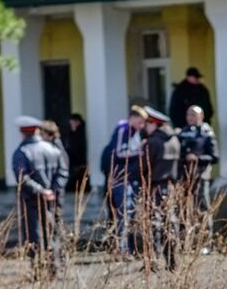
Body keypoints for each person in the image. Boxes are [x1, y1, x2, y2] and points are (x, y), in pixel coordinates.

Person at [12, 115, 67, 274]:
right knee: (52, 232)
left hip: (32, 200)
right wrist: (52, 191)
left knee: (34, 234)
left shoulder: (22, 152)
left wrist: (41, 191)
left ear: (22, 132)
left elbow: (22, 178)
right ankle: (53, 267)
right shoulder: (53, 149)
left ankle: (37, 269)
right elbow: (63, 172)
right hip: (51, 200)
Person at [99, 106, 146, 254]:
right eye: (140, 122)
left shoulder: (134, 132)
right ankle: (122, 248)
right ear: (132, 118)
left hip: (130, 178)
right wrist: (139, 152)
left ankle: (129, 248)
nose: (142, 126)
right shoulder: (123, 130)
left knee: (130, 214)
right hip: (120, 178)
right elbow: (119, 152)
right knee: (123, 214)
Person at [141, 107, 181, 269]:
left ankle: (153, 261)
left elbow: (144, 167)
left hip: (154, 187)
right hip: (170, 186)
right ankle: (173, 261)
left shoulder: (152, 143)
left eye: (147, 124)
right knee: (170, 224)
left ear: (153, 124)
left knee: (154, 225)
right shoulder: (174, 140)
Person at [177, 105, 218, 211]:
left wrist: (197, 158)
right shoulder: (183, 133)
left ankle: (206, 227)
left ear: (201, 116)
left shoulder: (207, 133)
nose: (190, 118)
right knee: (184, 207)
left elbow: (214, 157)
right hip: (185, 175)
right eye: (188, 115)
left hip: (201, 175)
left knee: (202, 205)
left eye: (193, 115)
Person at [64, 113, 89, 191]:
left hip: (80, 162)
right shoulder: (71, 132)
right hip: (73, 162)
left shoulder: (82, 132)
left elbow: (79, 146)